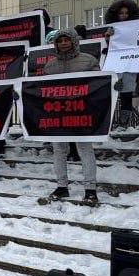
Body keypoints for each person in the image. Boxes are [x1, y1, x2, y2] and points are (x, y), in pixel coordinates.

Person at [44, 30, 100, 206]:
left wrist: (114, 85)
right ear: (56, 44)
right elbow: (42, 89)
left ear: (74, 41)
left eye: (66, 40)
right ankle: (62, 186)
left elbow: (100, 84)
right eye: (60, 41)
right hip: (58, 115)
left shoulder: (88, 60)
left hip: (81, 113)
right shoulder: (50, 66)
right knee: (59, 150)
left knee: (85, 149)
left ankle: (90, 189)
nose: (63, 43)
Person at [105, 0, 139, 129]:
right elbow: (107, 49)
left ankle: (124, 124)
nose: (124, 16)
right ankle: (110, 124)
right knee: (112, 95)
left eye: (126, 13)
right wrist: (108, 38)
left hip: (130, 65)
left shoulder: (136, 29)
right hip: (115, 66)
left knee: (126, 95)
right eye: (121, 13)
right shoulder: (110, 30)